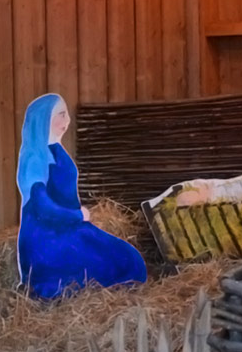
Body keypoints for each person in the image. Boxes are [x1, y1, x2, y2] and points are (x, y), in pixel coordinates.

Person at [16, 93, 147, 299]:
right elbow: (41, 205)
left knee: (127, 258)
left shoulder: (56, 150)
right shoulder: (34, 157)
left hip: (70, 228)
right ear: (44, 118)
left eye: (66, 114)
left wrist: (76, 219)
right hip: (48, 238)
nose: (67, 121)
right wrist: (76, 216)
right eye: (61, 115)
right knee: (119, 262)